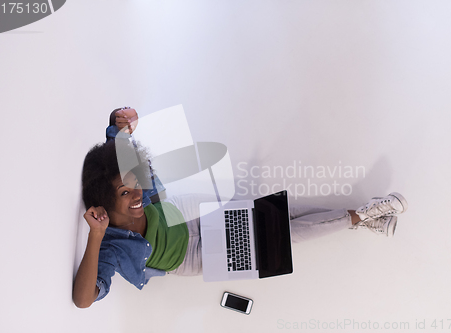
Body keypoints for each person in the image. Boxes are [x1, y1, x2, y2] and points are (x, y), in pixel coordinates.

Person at [72, 109, 408, 309]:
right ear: (103, 202)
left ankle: (363, 219)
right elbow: (84, 299)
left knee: (282, 211)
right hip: (191, 256)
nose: (138, 195)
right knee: (282, 238)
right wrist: (96, 235)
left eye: (136, 183)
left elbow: (117, 140)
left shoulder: (130, 186)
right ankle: (363, 214)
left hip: (187, 221)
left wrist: (120, 121)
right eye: (126, 192)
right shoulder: (111, 247)